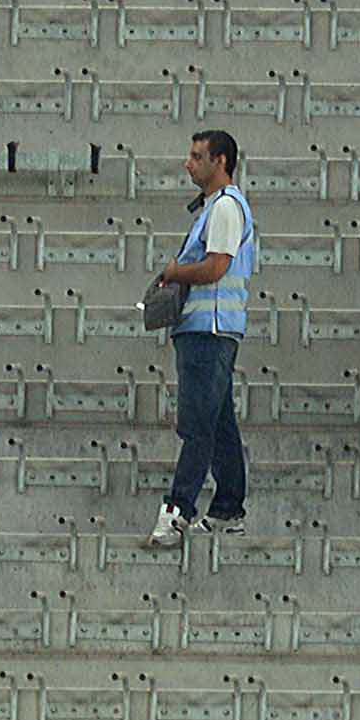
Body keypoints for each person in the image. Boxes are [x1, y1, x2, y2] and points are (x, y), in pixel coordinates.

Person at [146, 128, 256, 546]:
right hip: (207, 331)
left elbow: (215, 268)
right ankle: (228, 508)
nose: (188, 163)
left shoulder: (225, 208)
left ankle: (177, 511)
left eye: (196, 156)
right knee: (220, 424)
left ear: (220, 161)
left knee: (197, 426)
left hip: (208, 331)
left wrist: (173, 273)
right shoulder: (213, 208)